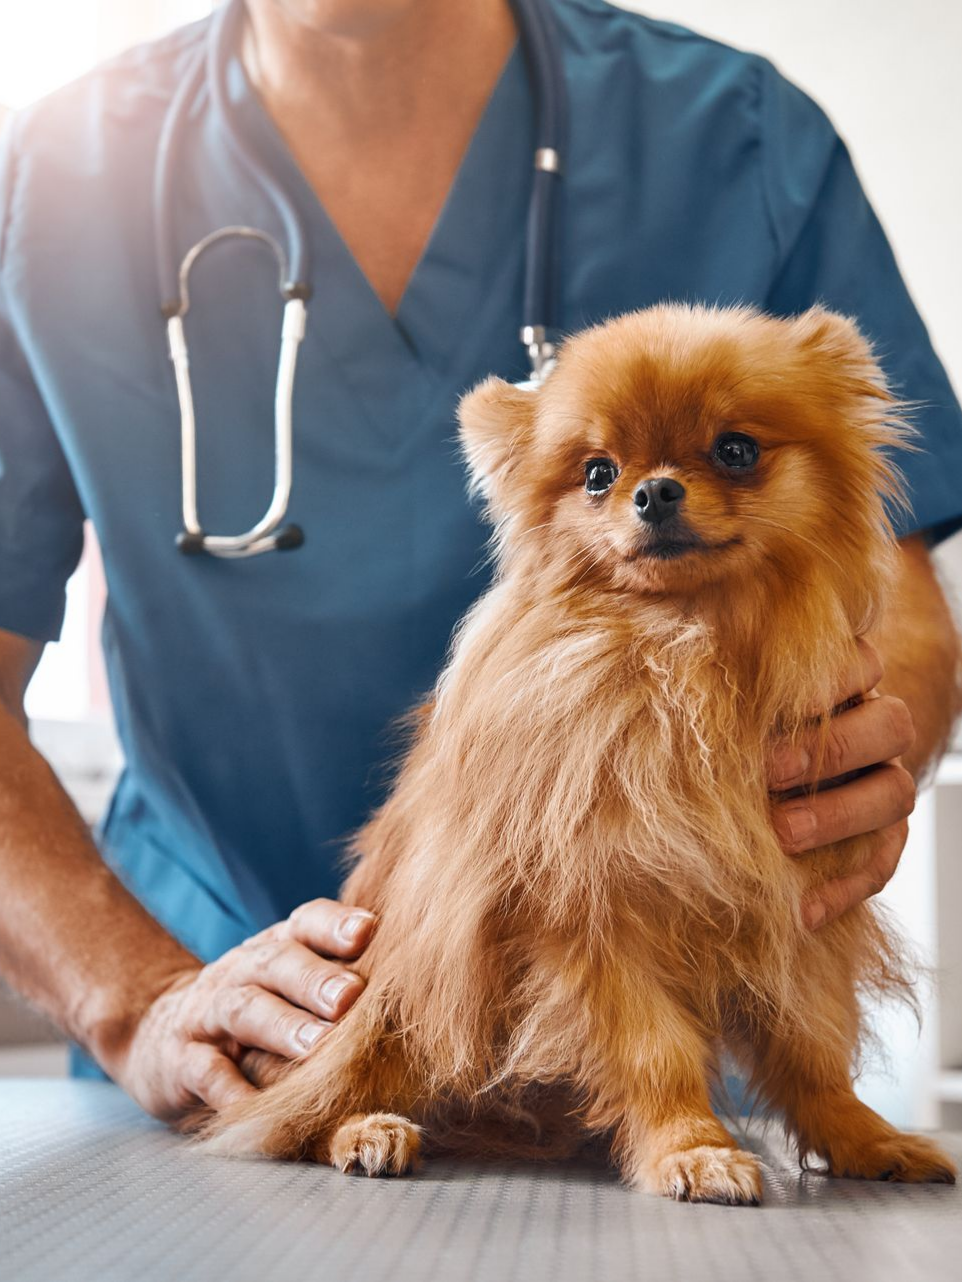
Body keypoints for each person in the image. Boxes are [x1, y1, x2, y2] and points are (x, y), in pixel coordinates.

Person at [0, 0, 959, 1126]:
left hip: (690, 1041)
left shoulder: (734, 137)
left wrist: (829, 774)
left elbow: (891, 591)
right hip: (212, 1025)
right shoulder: (57, 177)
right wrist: (138, 998)